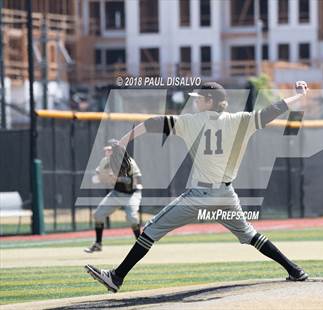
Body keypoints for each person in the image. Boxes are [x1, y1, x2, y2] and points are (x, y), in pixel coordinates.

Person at [85, 81, 309, 292]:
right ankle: (294, 270)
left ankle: (117, 277)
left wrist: (123, 141)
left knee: (152, 229)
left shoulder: (191, 121)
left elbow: (153, 122)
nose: (195, 101)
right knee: (250, 235)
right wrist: (298, 96)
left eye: (199, 98)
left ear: (210, 101)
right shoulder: (241, 120)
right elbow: (271, 111)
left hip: (198, 196)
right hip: (226, 195)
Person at [84, 140, 142, 253]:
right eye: (107, 149)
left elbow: (136, 180)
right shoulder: (105, 161)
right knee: (98, 215)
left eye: (110, 149)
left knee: (132, 218)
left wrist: (116, 178)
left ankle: (141, 244)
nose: (107, 151)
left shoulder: (129, 161)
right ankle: (98, 244)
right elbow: (98, 176)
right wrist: (101, 178)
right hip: (117, 193)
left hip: (132, 194)